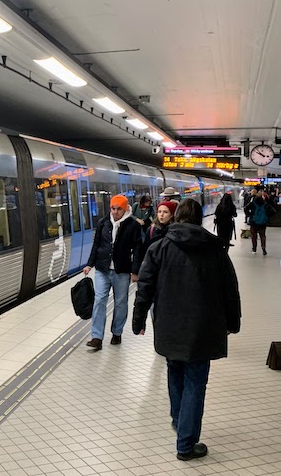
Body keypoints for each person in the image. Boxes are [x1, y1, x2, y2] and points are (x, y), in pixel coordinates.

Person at [133, 198, 241, 461]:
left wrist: (138, 320)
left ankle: (179, 419)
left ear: (176, 217)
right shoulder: (216, 250)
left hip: (170, 325)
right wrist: (233, 323)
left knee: (175, 370)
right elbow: (230, 290)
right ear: (199, 219)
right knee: (195, 381)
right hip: (203, 327)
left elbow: (144, 287)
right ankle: (186, 444)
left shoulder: (159, 249)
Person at [82, 195, 142, 350]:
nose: (115, 212)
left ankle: (117, 332)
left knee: (121, 303)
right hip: (102, 268)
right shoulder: (103, 223)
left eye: (119, 209)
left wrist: (135, 271)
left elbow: (137, 249)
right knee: (99, 300)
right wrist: (89, 264)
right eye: (113, 208)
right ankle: (96, 337)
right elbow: (96, 245)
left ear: (125, 208)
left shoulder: (133, 225)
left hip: (122, 270)